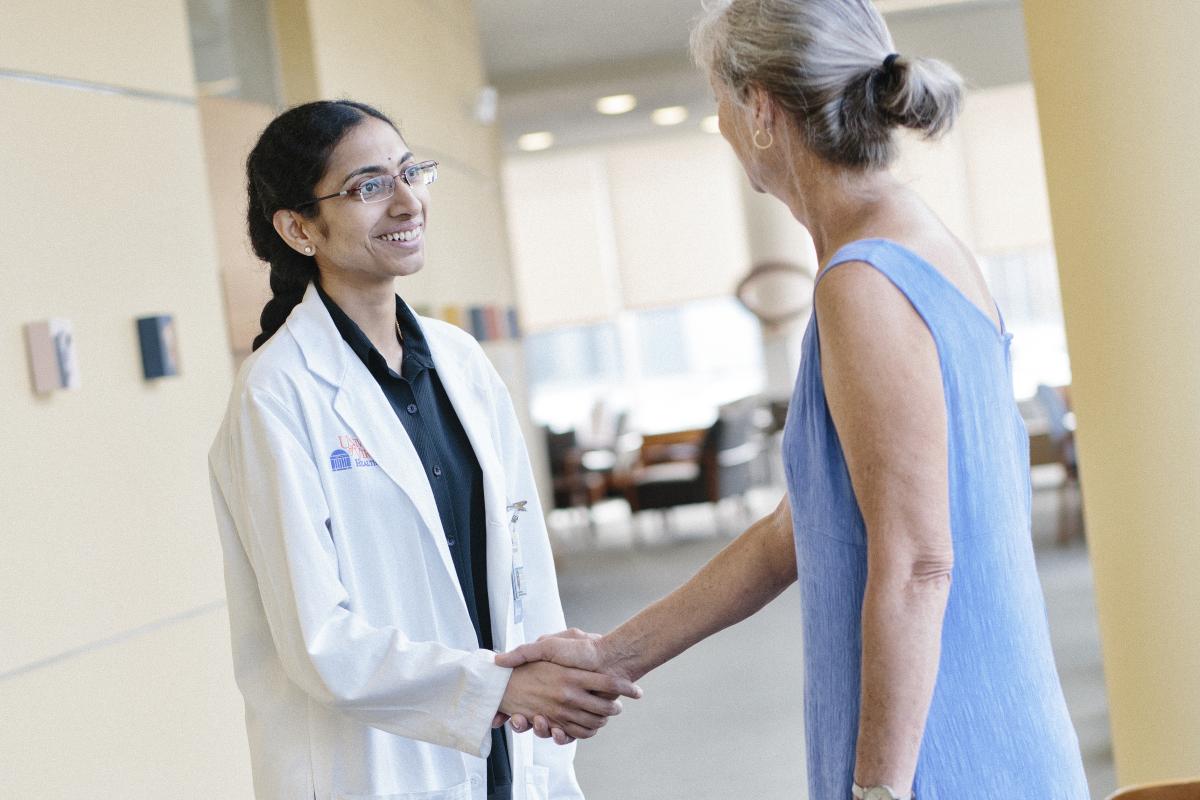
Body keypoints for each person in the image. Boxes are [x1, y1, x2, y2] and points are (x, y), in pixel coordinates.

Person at [498, 2, 1091, 798]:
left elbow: (919, 564)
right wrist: (616, 654)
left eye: (718, 100)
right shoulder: (915, 241)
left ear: (760, 111)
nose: (719, 126)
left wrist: (877, 792)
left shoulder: (865, 282)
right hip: (982, 712)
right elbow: (801, 524)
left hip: (941, 743)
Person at [208, 100, 639, 800]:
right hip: (378, 770)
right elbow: (319, 641)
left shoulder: (461, 363)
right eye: (369, 185)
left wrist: (549, 688)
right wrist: (504, 688)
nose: (408, 201)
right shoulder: (276, 395)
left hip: (509, 754)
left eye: (411, 172)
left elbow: (523, 561)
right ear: (297, 228)